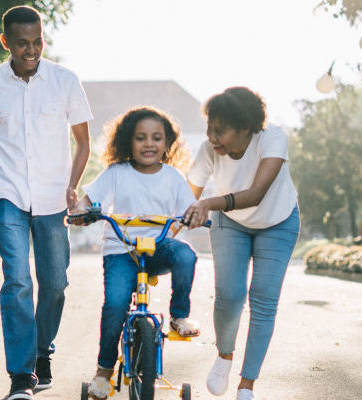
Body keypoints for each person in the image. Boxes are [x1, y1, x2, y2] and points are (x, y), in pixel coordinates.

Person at [0, 5, 92, 400]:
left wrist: (73, 185)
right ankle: (21, 377)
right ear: (6, 42)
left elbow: (83, 141)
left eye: (37, 41)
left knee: (55, 284)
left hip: (54, 197)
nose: (32, 49)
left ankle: (42, 352)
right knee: (17, 280)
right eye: (22, 43)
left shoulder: (65, 80)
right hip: (8, 196)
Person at [69, 107, 199, 400]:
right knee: (115, 305)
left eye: (156, 138)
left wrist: (195, 216)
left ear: (167, 144)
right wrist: (80, 212)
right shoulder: (116, 173)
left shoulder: (174, 178)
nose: (149, 144)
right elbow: (89, 201)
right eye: (140, 138)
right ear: (128, 142)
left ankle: (179, 316)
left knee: (186, 256)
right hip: (121, 251)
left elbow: (189, 209)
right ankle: (103, 371)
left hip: (157, 248)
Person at [184, 87, 300, 400]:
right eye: (209, 128)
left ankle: (246, 385)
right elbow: (186, 195)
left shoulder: (272, 138)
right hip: (230, 222)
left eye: (219, 131)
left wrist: (208, 202)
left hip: (278, 222)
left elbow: (257, 193)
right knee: (230, 294)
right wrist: (164, 227)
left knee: (263, 299)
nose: (211, 137)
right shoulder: (209, 149)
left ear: (245, 128)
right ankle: (224, 356)